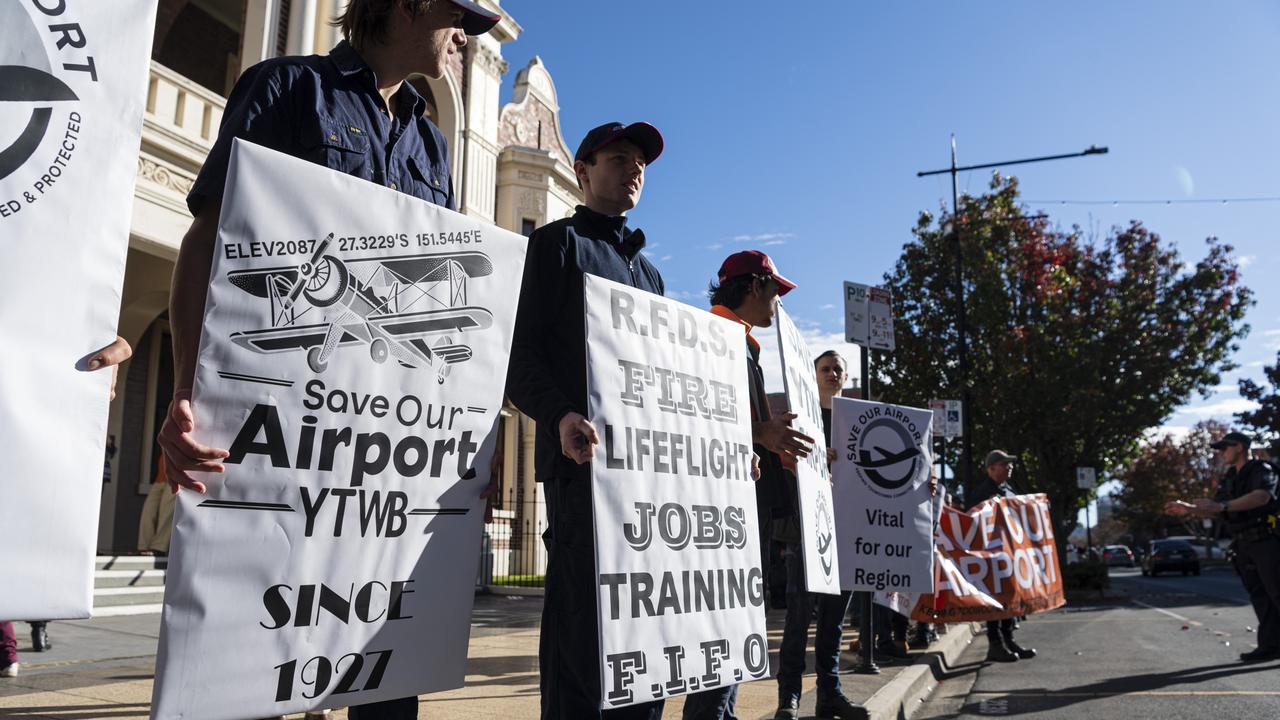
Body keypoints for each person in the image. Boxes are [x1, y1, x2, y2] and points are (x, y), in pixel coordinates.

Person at [154, 2, 501, 718]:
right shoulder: (284, 89)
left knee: (388, 678)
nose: (464, 36)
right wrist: (186, 388)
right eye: (455, 16)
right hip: (281, 429)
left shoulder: (431, 145)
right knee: (252, 670)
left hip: (379, 447)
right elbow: (208, 239)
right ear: (405, 6)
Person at [505, 121, 667, 720]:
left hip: (648, 492)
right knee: (581, 648)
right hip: (582, 482)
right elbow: (517, 362)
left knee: (644, 644)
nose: (635, 170)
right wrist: (560, 414)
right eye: (620, 158)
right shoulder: (554, 247)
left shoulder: (651, 277)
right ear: (584, 171)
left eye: (641, 163)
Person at [681, 251, 818, 720]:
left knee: (736, 619)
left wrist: (766, 436)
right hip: (720, 509)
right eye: (776, 290)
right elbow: (691, 419)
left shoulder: (738, 343)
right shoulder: (713, 339)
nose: (779, 301)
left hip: (742, 500)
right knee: (723, 620)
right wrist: (761, 433)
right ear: (755, 286)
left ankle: (722, 711)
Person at [769, 349, 866, 720]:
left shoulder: (858, 423)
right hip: (805, 533)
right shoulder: (800, 418)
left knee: (833, 621)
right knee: (798, 618)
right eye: (824, 368)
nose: (831, 373)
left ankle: (830, 694)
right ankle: (788, 697)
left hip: (847, 534)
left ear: (845, 376)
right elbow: (782, 464)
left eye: (837, 369)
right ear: (813, 375)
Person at [1166, 430, 1280, 663]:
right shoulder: (1230, 476)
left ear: (1239, 447)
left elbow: (1261, 497)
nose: (1221, 453)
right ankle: (1270, 646)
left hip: (1267, 539)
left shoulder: (1261, 470)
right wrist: (1189, 508)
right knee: (1260, 597)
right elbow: (1216, 507)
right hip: (1244, 543)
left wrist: (1222, 507)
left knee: (1277, 592)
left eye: (1224, 448)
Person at [969, 449, 1036, 663]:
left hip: (1010, 555)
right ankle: (995, 644)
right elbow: (973, 519)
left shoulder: (1008, 489)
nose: (1009, 467)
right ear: (991, 469)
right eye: (1004, 464)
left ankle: (1009, 640)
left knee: (1009, 599)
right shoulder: (982, 492)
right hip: (993, 556)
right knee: (996, 601)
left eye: (1010, 464)